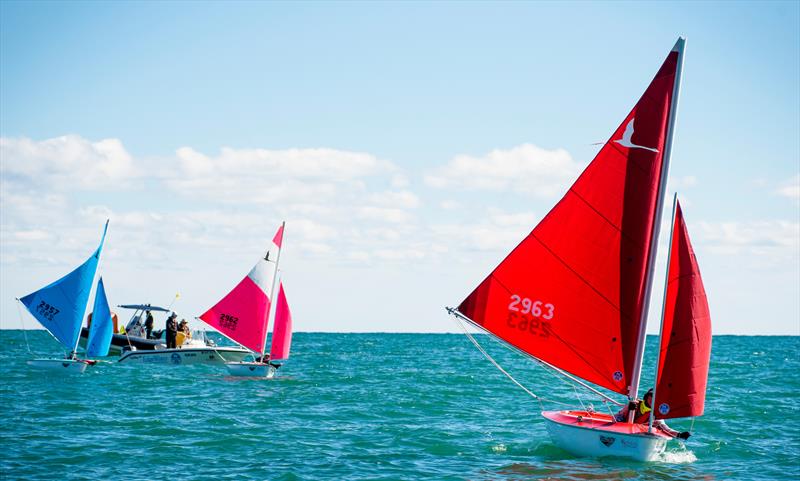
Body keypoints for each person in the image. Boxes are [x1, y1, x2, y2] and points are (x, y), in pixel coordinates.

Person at [614, 388, 691, 440]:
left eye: (656, 398)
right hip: (623, 434)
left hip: (638, 436)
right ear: (647, 397)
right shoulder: (634, 404)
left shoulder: (656, 414)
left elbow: (666, 429)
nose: (653, 399)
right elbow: (615, 417)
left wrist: (679, 435)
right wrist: (622, 418)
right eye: (652, 396)